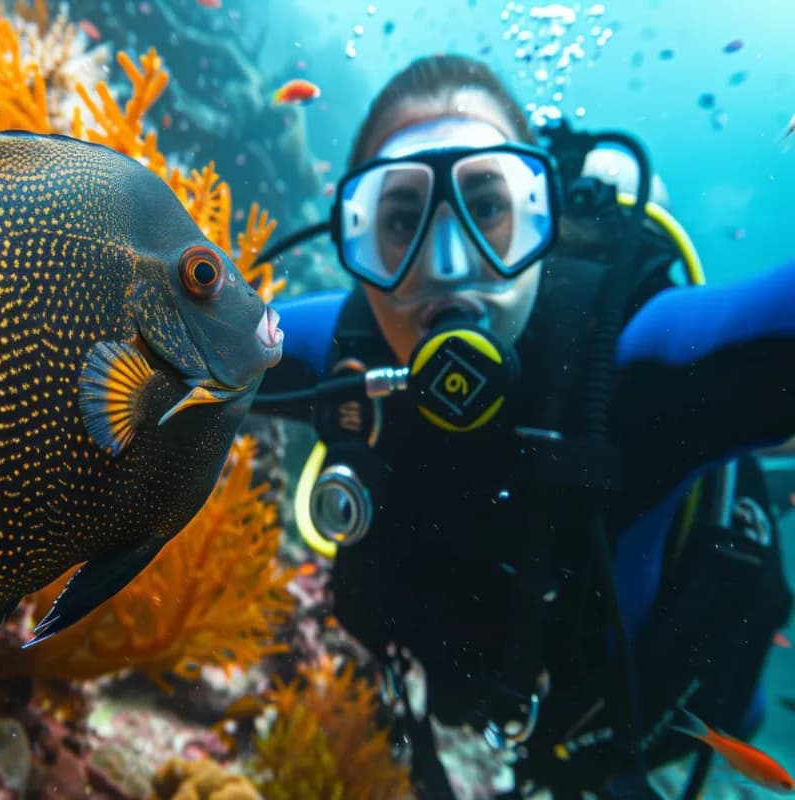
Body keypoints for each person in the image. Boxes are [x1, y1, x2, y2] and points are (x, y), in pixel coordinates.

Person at [252, 54, 795, 799]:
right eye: (403, 219)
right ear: (358, 242)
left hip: (660, 724)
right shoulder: (343, 352)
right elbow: (167, 335)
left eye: (488, 205)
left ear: (541, 219)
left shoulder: (632, 355)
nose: (447, 265)